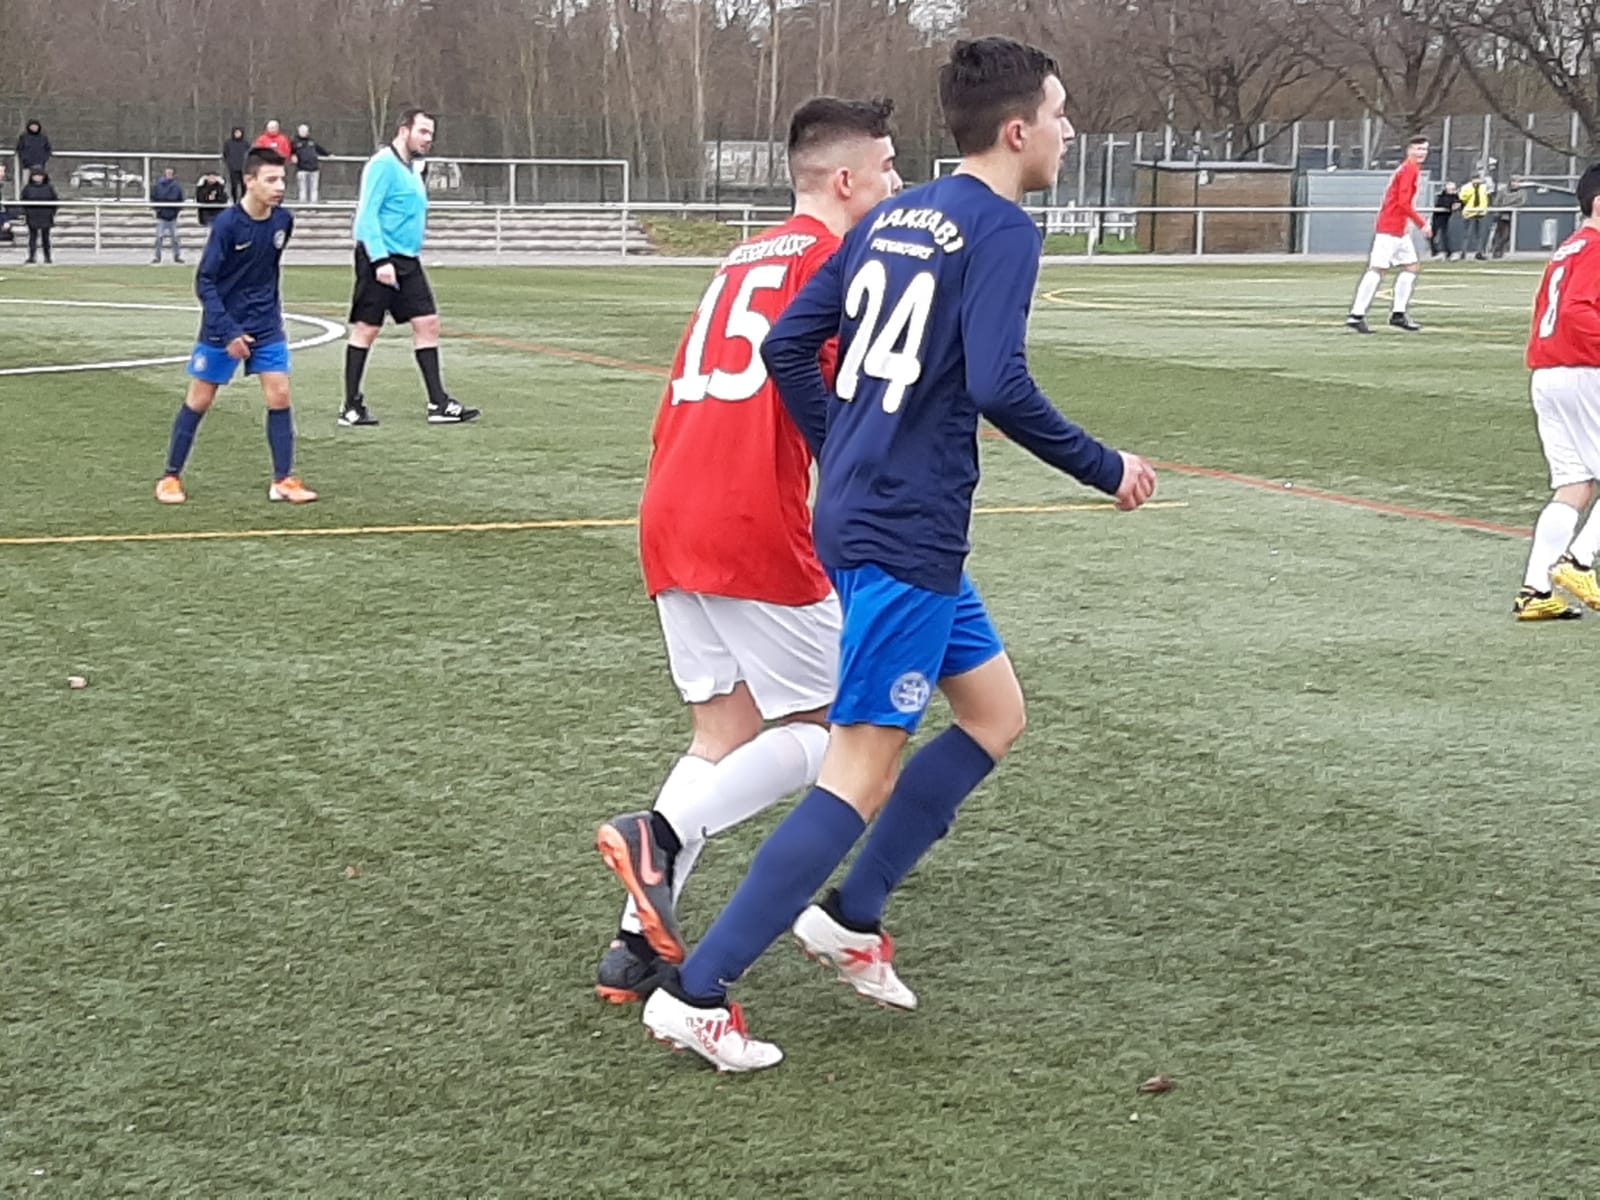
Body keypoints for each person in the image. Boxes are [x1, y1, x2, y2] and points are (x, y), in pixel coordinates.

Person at [637, 36, 1158, 1072]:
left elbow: (789, 345)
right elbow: (999, 384)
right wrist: (1107, 468)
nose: (1067, 131)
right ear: (1017, 130)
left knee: (994, 714)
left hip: (870, 515)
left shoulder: (892, 214)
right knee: (860, 772)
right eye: (1059, 115)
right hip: (905, 531)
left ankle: (852, 914)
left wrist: (843, 447)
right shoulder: (1000, 229)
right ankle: (698, 994)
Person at [591, 98, 902, 1004]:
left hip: (670, 504)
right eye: (887, 169)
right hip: (748, 514)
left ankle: (632, 949)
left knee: (723, 732)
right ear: (844, 180)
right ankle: (657, 835)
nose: (897, 185)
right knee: (845, 731)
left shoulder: (742, 255)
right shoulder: (835, 262)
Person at [155, 149, 316, 507]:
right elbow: (205, 281)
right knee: (200, 399)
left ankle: (282, 479)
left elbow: (266, 273)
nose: (280, 187)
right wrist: (228, 331)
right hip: (223, 325)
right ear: (249, 181)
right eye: (271, 180)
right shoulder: (227, 225)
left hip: (267, 324)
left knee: (280, 395)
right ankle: (170, 477)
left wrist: (267, 314)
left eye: (282, 180)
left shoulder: (283, 221)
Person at [340, 108, 477, 426]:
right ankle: (351, 406)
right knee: (367, 328)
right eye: (423, 132)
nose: (428, 139)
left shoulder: (413, 169)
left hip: (407, 260)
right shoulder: (382, 165)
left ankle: (438, 402)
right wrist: (379, 259)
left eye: (431, 134)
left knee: (427, 323)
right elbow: (367, 215)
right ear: (404, 130)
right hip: (380, 258)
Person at [1513, 164, 1600, 621]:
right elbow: (1575, 311)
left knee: (1575, 485)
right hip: (1584, 369)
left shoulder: (1569, 247)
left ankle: (1536, 590)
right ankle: (1578, 561)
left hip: (1549, 372)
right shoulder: (1597, 247)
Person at [1345, 135, 1429, 334]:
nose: (1422, 153)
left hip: (1399, 229)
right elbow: (1403, 202)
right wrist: (1422, 223)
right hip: (1390, 228)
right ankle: (1356, 315)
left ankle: (1398, 314)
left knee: (1411, 267)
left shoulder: (1410, 169)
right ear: (1409, 150)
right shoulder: (1408, 170)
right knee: (1377, 270)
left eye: (1424, 149)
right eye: (1418, 148)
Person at [21, 167, 57, 264]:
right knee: (32, 237)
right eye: (35, 175)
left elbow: (55, 201)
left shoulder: (49, 188)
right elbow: (23, 201)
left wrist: (51, 213)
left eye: (40, 176)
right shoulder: (28, 188)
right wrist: (26, 213)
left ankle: (47, 257)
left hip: (46, 215)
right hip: (32, 215)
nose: (38, 177)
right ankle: (32, 257)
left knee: (46, 238)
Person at [150, 167, 185, 263]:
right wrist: (158, 210)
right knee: (159, 237)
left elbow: (181, 199)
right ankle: (157, 257)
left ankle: (177, 256)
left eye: (171, 173)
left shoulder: (177, 186)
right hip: (162, 216)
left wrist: (176, 211)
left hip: (172, 217)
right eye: (168, 173)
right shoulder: (158, 185)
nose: (169, 174)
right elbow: (153, 198)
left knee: (175, 238)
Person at [291, 125, 330, 204]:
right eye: (302, 131)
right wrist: (292, 155)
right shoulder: (294, 143)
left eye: (305, 131)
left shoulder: (312, 142)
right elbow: (290, 151)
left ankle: (313, 207)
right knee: (303, 189)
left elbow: (320, 149)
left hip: (314, 169)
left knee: (314, 189)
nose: (304, 133)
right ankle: (303, 207)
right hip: (302, 169)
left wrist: (329, 154)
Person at [1460, 172, 1490, 260]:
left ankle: (1479, 252)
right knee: (1467, 234)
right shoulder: (1466, 187)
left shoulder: (1483, 187)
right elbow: (1463, 198)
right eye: (1475, 178)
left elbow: (1486, 197)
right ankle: (1463, 252)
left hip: (1481, 212)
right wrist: (1473, 191)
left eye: (1478, 178)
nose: (1476, 180)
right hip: (1470, 212)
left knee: (1481, 234)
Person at [1429, 181, 1461, 259]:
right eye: (1450, 189)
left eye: (1453, 189)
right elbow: (1444, 203)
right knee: (1436, 236)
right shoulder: (1441, 197)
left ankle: (1448, 252)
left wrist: (1458, 204)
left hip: (1448, 221)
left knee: (1448, 236)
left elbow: (1460, 203)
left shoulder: (1457, 197)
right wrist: (1452, 205)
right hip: (1439, 220)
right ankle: (1437, 252)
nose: (1452, 191)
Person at [223, 127, 251, 202]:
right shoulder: (228, 143)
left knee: (244, 185)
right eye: (236, 133)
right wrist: (229, 163)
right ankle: (234, 200)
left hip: (244, 168)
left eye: (239, 133)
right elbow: (225, 154)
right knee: (234, 185)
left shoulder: (245, 143)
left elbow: (249, 154)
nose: (237, 134)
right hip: (233, 167)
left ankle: (243, 200)